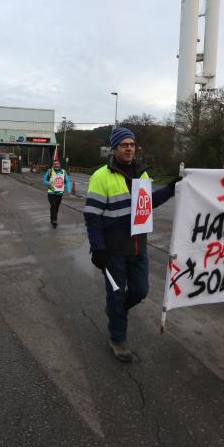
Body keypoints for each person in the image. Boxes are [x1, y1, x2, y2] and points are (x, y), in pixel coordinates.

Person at [84, 127, 180, 362]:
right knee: (116, 295)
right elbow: (92, 216)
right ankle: (118, 339)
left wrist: (170, 189)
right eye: (124, 145)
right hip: (113, 250)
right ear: (114, 148)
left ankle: (116, 312)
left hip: (139, 247)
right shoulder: (101, 176)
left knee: (140, 291)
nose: (129, 148)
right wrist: (98, 249)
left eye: (132, 145)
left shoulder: (142, 174)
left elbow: (148, 204)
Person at [42, 159, 72, 228]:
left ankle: (52, 218)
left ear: (59, 164)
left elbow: (67, 181)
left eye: (57, 164)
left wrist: (69, 190)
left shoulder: (63, 172)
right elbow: (44, 180)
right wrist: (49, 184)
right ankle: (54, 220)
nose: (56, 165)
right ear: (53, 165)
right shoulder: (49, 171)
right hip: (51, 192)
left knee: (56, 207)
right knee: (53, 205)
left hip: (59, 193)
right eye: (55, 164)